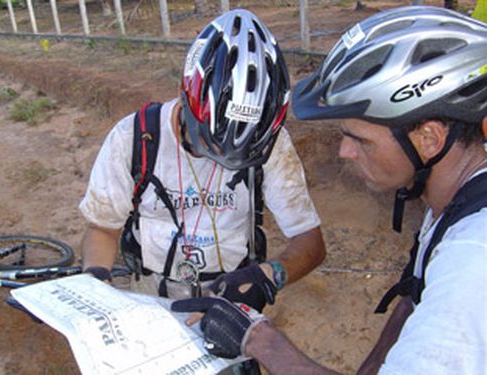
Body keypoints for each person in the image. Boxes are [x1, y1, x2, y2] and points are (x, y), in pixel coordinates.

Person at [172, 6, 487, 374]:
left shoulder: (471, 260)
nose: (344, 152)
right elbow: (412, 301)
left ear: (429, 138)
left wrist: (259, 340)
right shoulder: (456, 204)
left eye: (360, 140)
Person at [79, 9, 325, 314]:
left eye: (244, 153)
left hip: (231, 295)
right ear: (186, 103)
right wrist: (96, 280)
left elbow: (310, 242)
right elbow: (103, 227)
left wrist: (268, 276)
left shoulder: (273, 144)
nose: (224, 161)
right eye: (210, 144)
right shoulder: (134, 138)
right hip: (150, 292)